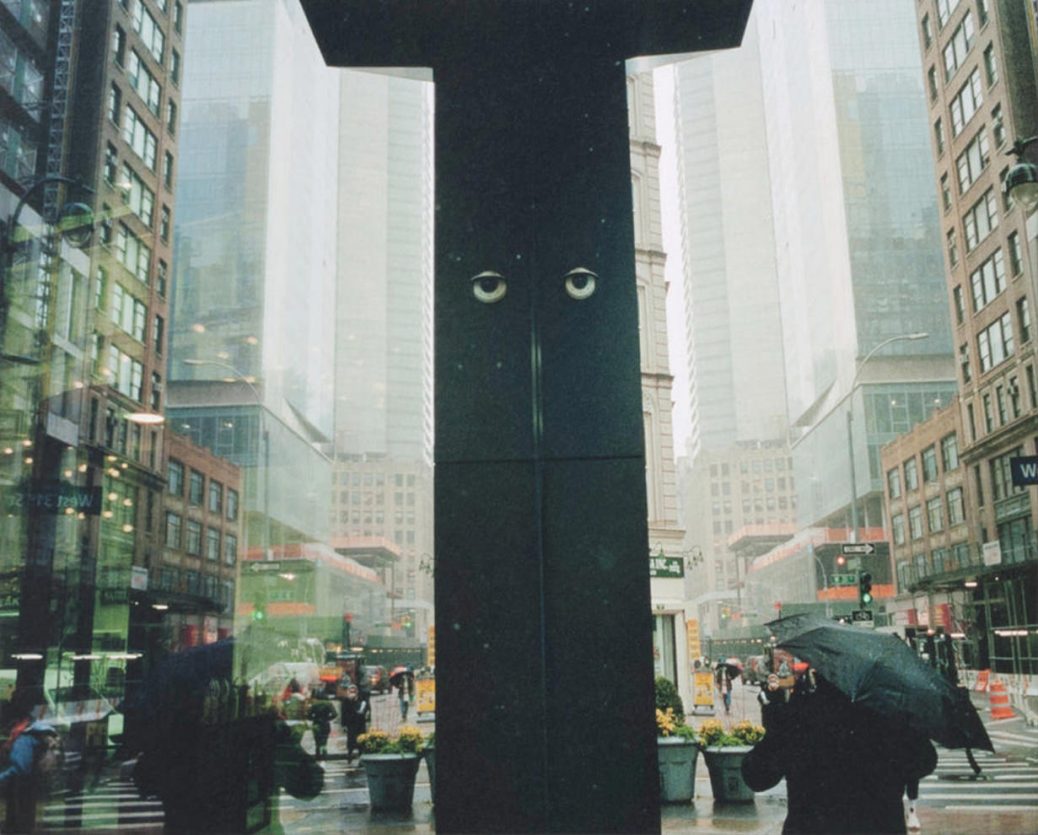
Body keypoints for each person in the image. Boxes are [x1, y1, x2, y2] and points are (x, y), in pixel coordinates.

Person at [742, 671, 937, 834]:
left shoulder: (801, 714)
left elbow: (757, 776)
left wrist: (774, 720)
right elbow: (925, 762)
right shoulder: (887, 714)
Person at [0, 688, 60, 833]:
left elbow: (20, 767)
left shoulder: (28, 733)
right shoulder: (33, 728)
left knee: (22, 812)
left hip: (24, 781)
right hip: (29, 780)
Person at [339, 684, 368, 763]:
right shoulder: (346, 701)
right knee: (351, 741)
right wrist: (343, 725)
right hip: (351, 724)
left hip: (360, 724)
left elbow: (366, 709)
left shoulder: (361, 700)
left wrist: (365, 715)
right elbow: (343, 713)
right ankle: (349, 756)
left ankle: (361, 758)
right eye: (351, 691)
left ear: (357, 692)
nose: (352, 693)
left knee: (361, 741)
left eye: (354, 691)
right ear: (348, 692)